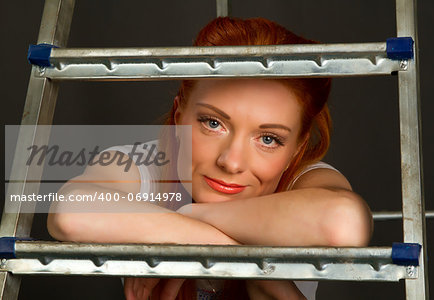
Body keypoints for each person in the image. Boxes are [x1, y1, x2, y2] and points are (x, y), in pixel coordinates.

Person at [47, 17, 373, 300]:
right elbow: (69, 212)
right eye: (213, 123)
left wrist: (190, 217)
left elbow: (345, 223)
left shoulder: (305, 182)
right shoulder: (142, 165)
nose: (231, 162)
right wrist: (241, 255)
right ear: (179, 116)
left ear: (296, 149)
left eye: (269, 139)